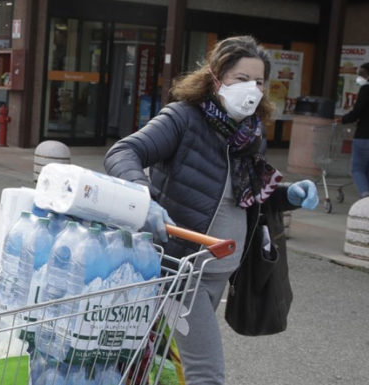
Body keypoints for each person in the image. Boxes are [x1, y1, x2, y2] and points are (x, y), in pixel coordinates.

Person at [104, 35, 318, 385]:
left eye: (259, 81)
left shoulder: (248, 132)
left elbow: (247, 196)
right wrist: (144, 200)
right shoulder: (182, 118)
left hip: (219, 271)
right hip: (180, 271)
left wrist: (289, 194)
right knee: (207, 372)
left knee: (154, 362)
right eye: (241, 79)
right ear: (216, 78)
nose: (251, 88)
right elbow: (123, 153)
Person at [339, 62, 369, 199]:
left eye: (361, 74)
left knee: (357, 169)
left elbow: (357, 111)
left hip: (364, 136)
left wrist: (343, 119)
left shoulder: (365, 89)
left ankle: (365, 197)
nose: (359, 77)